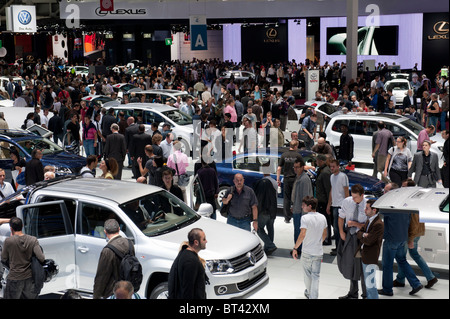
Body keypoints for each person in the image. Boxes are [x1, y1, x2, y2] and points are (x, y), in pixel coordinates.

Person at [378, 183, 423, 297]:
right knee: (402, 261)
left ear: (393, 193)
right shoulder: (405, 205)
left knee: (387, 264)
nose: (384, 193)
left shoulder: (389, 206)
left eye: (386, 191)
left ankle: (387, 289)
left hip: (391, 239)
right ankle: (416, 283)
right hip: (403, 239)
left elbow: (378, 213)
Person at [394, 179, 438, 290]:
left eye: (403, 186)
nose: (401, 188)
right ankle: (430, 277)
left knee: (401, 256)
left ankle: (400, 279)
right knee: (413, 255)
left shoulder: (410, 201)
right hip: (416, 232)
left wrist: (411, 239)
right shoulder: (418, 198)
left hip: (411, 234)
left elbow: (413, 222)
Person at [292, 196, 328, 299]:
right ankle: (313, 296)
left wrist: (295, 248)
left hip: (307, 252)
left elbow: (302, 234)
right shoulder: (322, 217)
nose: (302, 207)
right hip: (318, 252)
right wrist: (318, 242)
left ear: (310, 206)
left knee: (307, 275)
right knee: (315, 276)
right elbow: (325, 233)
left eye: (304, 205)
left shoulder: (305, 218)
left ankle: (309, 293)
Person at [1, 217, 45, 299]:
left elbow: (3, 259)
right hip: (30, 279)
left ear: (11, 228)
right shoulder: (33, 239)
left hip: (14, 278)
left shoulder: (8, 241)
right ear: (22, 226)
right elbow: (41, 258)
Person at [337, 184, 368, 299]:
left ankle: (366, 294)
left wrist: (355, 224)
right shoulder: (347, 202)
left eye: (356, 197)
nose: (353, 199)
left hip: (362, 237)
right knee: (350, 264)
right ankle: (353, 292)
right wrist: (341, 232)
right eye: (352, 196)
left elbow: (370, 225)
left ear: (362, 195)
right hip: (349, 235)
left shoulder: (368, 205)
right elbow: (341, 218)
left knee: (362, 266)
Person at [93, 219, 136, 299]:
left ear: (105, 232)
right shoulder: (129, 243)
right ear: (119, 229)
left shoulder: (107, 251)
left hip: (113, 293)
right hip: (127, 291)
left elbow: (101, 277)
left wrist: (96, 296)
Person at [356, 199, 384, 299]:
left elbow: (369, 241)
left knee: (370, 284)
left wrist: (362, 236)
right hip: (365, 255)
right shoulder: (370, 220)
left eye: (367, 208)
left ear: (374, 210)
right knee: (368, 284)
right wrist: (364, 234)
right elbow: (359, 233)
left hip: (370, 257)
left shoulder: (378, 224)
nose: (365, 210)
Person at [168, 228, 208, 299]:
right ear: (196, 242)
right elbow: (187, 290)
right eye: (204, 239)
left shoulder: (185, 253)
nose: (206, 241)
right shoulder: (191, 261)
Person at [277, 140, 305, 223]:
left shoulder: (284, 155)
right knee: (296, 197)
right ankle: (296, 214)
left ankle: (287, 217)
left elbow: (279, 168)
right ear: (296, 146)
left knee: (287, 198)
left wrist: (278, 178)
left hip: (286, 179)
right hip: (295, 179)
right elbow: (303, 167)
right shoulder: (298, 156)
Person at [327, 159, 349, 255]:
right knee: (336, 228)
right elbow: (332, 190)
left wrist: (347, 206)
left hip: (341, 205)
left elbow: (346, 191)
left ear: (338, 166)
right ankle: (338, 246)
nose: (332, 168)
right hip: (334, 205)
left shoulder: (343, 177)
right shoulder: (332, 177)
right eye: (330, 166)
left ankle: (341, 247)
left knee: (338, 228)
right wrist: (329, 204)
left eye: (333, 166)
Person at [253, 165, 278, 255]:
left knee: (259, 229)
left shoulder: (260, 183)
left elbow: (258, 198)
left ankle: (270, 245)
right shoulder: (274, 182)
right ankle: (268, 248)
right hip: (272, 209)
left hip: (264, 209)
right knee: (270, 227)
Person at [291, 158, 314, 251]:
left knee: (299, 231)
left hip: (301, 211)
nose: (295, 169)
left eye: (297, 167)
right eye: (294, 167)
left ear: (302, 167)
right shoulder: (299, 177)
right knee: (297, 230)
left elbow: (305, 197)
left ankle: (298, 249)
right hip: (297, 208)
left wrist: (304, 213)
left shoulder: (304, 179)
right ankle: (298, 248)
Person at [315, 154, 333, 245]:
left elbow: (328, 188)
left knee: (325, 221)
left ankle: (327, 238)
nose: (316, 162)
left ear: (321, 161)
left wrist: (328, 204)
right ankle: (324, 237)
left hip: (324, 201)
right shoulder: (322, 170)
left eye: (317, 161)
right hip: (321, 200)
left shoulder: (325, 172)